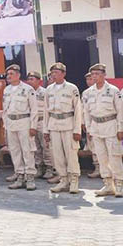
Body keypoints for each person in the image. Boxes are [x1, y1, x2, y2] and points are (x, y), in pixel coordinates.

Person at [82, 63, 123, 197]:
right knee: (101, 157)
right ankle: (108, 184)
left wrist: (120, 128)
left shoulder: (113, 90)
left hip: (111, 125)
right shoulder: (88, 92)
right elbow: (86, 112)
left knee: (114, 156)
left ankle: (119, 184)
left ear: (104, 75)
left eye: (98, 74)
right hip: (96, 127)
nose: (95, 77)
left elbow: (120, 111)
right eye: (93, 74)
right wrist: (89, 129)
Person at [44, 62, 83, 194]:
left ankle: (74, 180)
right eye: (52, 72)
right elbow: (45, 111)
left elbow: (78, 109)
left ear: (63, 73)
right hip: (54, 124)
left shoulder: (72, 88)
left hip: (68, 124)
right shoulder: (49, 89)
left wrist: (77, 130)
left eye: (56, 72)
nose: (54, 75)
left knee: (71, 154)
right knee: (57, 154)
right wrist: (46, 130)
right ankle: (63, 180)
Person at [2, 65, 39, 190]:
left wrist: (33, 126)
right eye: (8, 74)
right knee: (15, 151)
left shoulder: (28, 89)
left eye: (11, 74)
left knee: (27, 150)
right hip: (11, 123)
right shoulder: (6, 90)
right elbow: (5, 110)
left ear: (18, 75)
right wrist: (5, 127)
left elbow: (34, 109)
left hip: (24, 122)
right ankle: (19, 176)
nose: (9, 76)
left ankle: (30, 177)